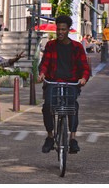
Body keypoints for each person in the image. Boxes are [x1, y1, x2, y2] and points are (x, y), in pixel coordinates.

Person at [38, 15, 90, 154]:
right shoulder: (51, 45)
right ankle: (50, 137)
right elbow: (45, 63)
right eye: (58, 29)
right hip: (53, 82)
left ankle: (72, 139)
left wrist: (84, 78)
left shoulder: (77, 47)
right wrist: (42, 73)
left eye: (63, 29)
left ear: (68, 30)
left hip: (72, 83)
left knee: (72, 106)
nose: (60, 32)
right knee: (47, 106)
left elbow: (85, 67)